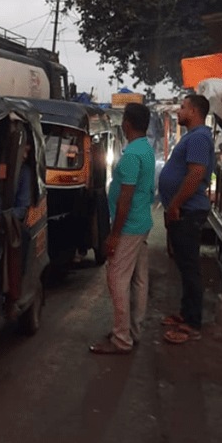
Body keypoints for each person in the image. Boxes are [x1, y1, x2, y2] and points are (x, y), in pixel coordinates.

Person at [90, 103, 156, 355]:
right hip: (142, 222)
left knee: (117, 277)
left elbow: (125, 198)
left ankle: (121, 338)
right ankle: (132, 330)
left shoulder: (131, 155)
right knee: (138, 278)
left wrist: (114, 234)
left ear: (127, 123)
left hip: (129, 225)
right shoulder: (145, 150)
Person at [157, 94, 216, 344]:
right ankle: (185, 313)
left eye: (182, 108)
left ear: (193, 111)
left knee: (190, 267)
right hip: (183, 209)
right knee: (183, 265)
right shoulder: (194, 137)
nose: (178, 112)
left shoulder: (200, 137)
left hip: (188, 210)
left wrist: (176, 205)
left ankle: (193, 323)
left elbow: (196, 174)